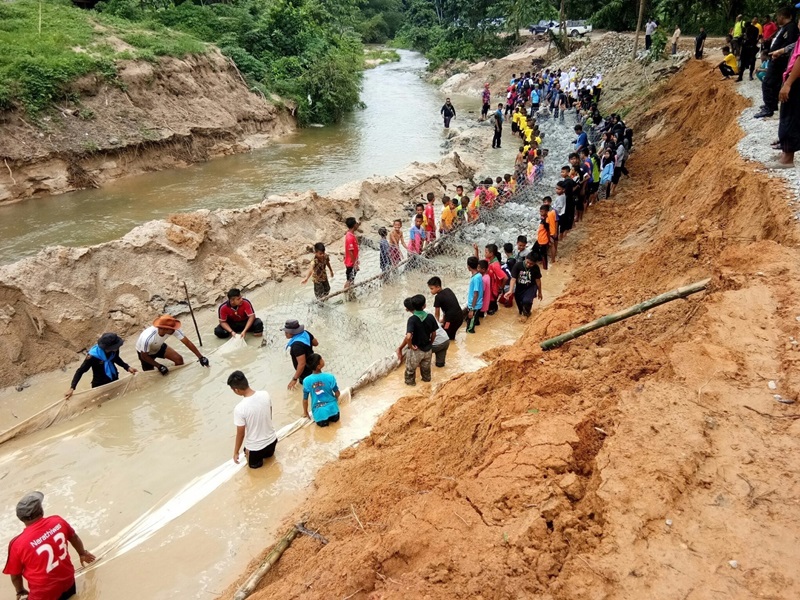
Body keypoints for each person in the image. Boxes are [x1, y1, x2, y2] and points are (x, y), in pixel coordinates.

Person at [4, 491, 96, 600]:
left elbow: (15, 575)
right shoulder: (58, 521)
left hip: (44, 595)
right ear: (41, 511)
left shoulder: (17, 544)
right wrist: (82, 553)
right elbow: (74, 537)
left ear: (20, 518)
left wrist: (20, 590)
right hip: (69, 583)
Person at [755, 7, 798, 119]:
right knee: (772, 84)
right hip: (776, 59)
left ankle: (769, 108)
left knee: (768, 83)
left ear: (782, 17)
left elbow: (792, 46)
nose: (777, 19)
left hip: (779, 61)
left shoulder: (791, 28)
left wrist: (780, 54)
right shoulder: (785, 28)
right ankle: (770, 105)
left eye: (778, 16)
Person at [227, 370, 277, 468]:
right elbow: (269, 416)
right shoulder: (265, 394)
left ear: (236, 390)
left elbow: (241, 434)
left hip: (256, 449)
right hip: (272, 442)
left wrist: (236, 452)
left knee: (254, 472)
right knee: (270, 461)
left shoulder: (239, 408)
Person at [65, 332, 135, 398]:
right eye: (116, 346)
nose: (118, 347)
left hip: (114, 380)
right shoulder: (92, 356)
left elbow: (116, 358)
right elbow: (80, 371)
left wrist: (127, 367)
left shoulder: (114, 350)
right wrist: (72, 387)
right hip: (100, 385)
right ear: (108, 348)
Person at [136, 315, 209, 375]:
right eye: (172, 329)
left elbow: (187, 342)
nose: (174, 330)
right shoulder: (147, 338)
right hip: (145, 353)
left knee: (179, 360)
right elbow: (144, 356)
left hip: (158, 346)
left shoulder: (173, 329)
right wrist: (159, 366)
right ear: (164, 329)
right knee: (150, 374)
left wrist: (200, 357)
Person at [771, 28, 800, 169]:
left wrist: (788, 83)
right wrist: (781, 51)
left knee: (789, 116)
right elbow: (794, 47)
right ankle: (785, 153)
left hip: (796, 83)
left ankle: (787, 158)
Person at [397, 295, 437, 386]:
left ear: (412, 307)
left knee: (410, 372)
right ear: (425, 306)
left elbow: (408, 337)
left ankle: (411, 389)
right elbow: (434, 333)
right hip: (428, 350)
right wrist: (430, 343)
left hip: (416, 350)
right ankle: (427, 387)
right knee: (426, 373)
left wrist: (411, 346)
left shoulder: (412, 319)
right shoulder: (430, 317)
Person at [301, 354, 341, 427]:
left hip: (320, 414)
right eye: (321, 359)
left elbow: (305, 399)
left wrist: (305, 412)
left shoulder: (306, 381)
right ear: (318, 366)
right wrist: (335, 400)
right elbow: (337, 393)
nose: (323, 359)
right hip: (333, 411)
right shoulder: (330, 377)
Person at [504, 254, 543, 320]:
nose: (528, 265)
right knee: (520, 306)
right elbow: (513, 279)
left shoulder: (536, 268)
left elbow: (538, 281)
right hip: (520, 287)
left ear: (535, 263)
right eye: (527, 262)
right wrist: (510, 290)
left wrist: (540, 292)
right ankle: (524, 313)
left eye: (531, 264)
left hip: (531, 287)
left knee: (527, 301)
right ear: (525, 258)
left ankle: (526, 317)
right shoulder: (518, 266)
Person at [283, 319, 318, 390]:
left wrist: (294, 379)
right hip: (313, 366)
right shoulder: (306, 333)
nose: (285, 333)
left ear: (291, 332)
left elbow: (302, 364)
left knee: (307, 389)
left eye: (286, 332)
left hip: (305, 373)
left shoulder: (296, 346)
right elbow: (316, 343)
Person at [428, 276, 463, 340]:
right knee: (450, 332)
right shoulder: (448, 290)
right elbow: (447, 308)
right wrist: (443, 319)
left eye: (432, 288)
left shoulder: (438, 297)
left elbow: (437, 313)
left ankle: (452, 348)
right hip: (460, 317)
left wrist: (436, 325)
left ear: (438, 287)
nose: (431, 291)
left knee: (446, 333)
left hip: (451, 321)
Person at [464, 256, 484, 333]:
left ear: (468, 267)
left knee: (469, 329)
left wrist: (472, 309)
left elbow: (475, 294)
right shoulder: (478, 275)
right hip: (476, 304)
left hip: (474, 306)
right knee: (473, 322)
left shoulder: (475, 278)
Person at [343, 217, 359, 290]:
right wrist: (355, 264)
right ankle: (346, 293)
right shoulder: (350, 237)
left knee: (351, 279)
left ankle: (351, 293)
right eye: (356, 223)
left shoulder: (351, 235)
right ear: (354, 225)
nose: (357, 225)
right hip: (351, 263)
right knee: (349, 280)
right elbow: (350, 251)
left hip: (352, 262)